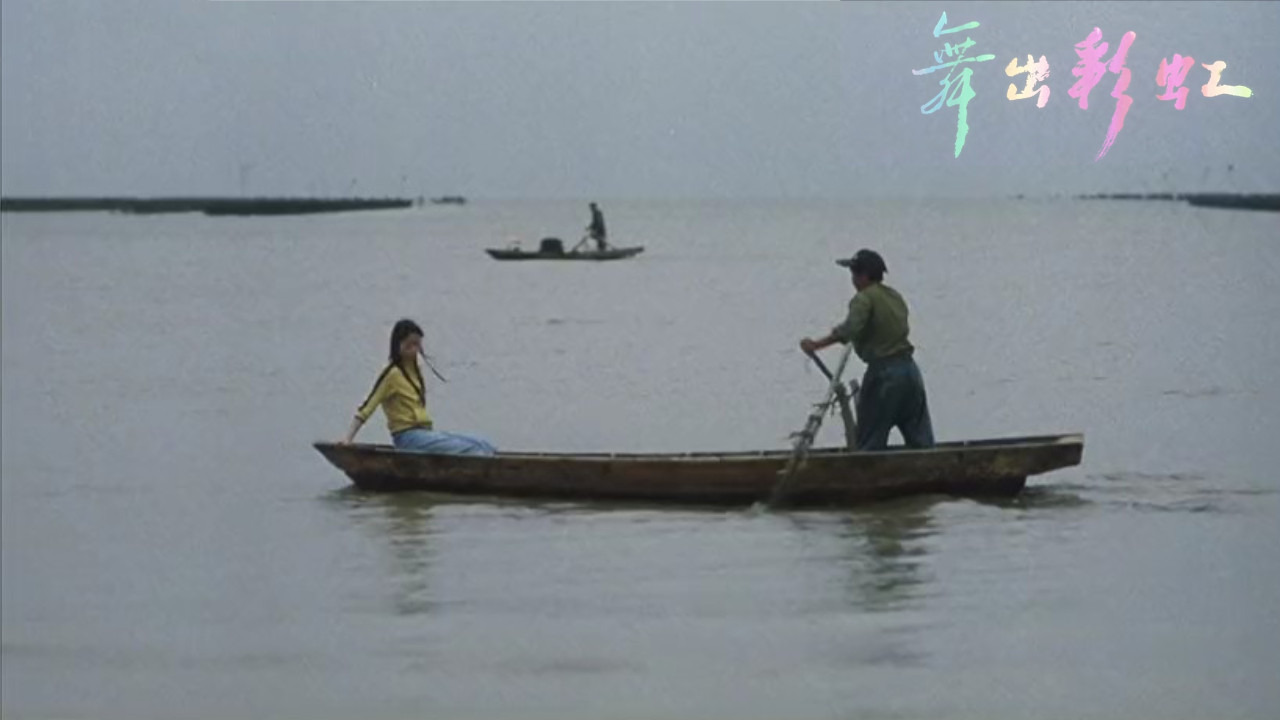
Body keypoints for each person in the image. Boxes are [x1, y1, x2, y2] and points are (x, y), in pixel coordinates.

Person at [799, 249, 935, 451]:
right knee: (921, 442)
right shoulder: (894, 296)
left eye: (854, 274)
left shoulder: (863, 299)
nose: (852, 280)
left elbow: (850, 329)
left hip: (885, 376)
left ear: (863, 276)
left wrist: (816, 345)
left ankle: (863, 477)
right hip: (910, 373)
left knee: (870, 442)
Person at [340, 319, 496, 456]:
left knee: (484, 444)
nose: (414, 350)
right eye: (409, 345)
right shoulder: (391, 374)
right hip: (407, 437)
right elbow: (368, 406)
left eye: (417, 344)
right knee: (470, 450)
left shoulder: (416, 371)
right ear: (398, 345)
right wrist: (348, 439)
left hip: (424, 434)